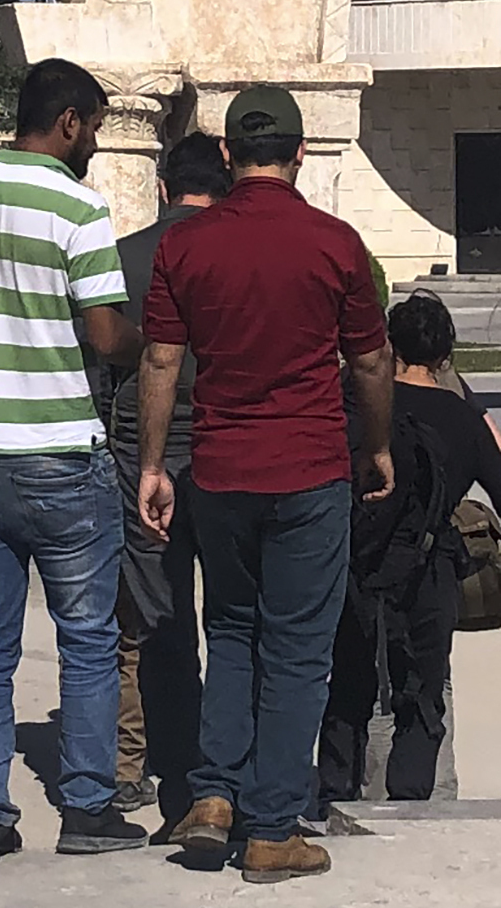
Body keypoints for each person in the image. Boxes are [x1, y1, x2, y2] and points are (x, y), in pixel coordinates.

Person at [138, 84, 393, 880]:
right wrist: (377, 445)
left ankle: (212, 795)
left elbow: (159, 359)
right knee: (296, 648)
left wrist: (151, 463)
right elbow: (372, 359)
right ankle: (271, 824)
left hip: (216, 467)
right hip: (309, 468)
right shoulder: (335, 243)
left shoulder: (184, 247)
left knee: (235, 632)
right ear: (300, 152)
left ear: (225, 154)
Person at [0, 57, 144, 862]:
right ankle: (85, 806)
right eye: (96, 127)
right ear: (69, 120)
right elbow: (106, 333)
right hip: (60, 456)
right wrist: (147, 346)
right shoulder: (78, 207)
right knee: (85, 635)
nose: (95, 144)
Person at [91, 131, 229, 825]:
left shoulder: (125, 258)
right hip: (228, 445)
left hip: (138, 451)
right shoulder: (239, 251)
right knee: (236, 618)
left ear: (161, 186)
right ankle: (229, 781)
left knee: (159, 621)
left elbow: (99, 361)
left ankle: (177, 786)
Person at [320, 289, 501, 808]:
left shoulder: (352, 404)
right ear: (445, 357)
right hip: (429, 569)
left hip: (355, 563)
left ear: (389, 347)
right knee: (421, 699)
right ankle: (411, 804)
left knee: (346, 690)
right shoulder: (462, 418)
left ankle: (334, 796)